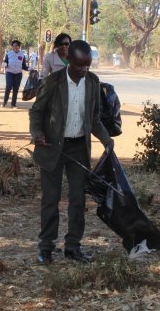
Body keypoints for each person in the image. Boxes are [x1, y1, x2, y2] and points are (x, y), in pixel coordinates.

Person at [29, 40, 112, 265]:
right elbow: (36, 112)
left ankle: (73, 247)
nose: (83, 70)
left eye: (87, 65)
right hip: (51, 147)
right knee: (51, 199)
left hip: (78, 148)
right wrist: (36, 132)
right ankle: (46, 248)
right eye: (79, 66)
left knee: (77, 200)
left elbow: (93, 118)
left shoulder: (93, 82)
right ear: (69, 61)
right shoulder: (52, 82)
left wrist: (106, 140)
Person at [1, 40, 28, 108]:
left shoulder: (22, 55)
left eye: (16, 46)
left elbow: (24, 66)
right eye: (13, 46)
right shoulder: (9, 54)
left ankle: (13, 104)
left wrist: (30, 69)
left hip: (18, 74)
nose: (15, 47)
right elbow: (5, 62)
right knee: (9, 86)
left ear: (19, 46)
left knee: (16, 89)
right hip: (9, 72)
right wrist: (3, 66)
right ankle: (4, 102)